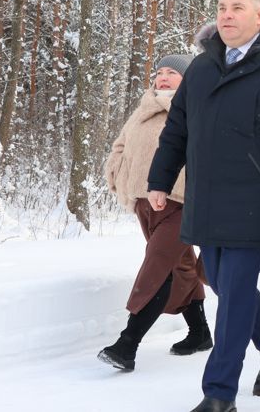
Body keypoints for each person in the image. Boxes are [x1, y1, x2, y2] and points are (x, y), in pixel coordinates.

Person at [148, 0, 260, 412]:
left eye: (238, 8)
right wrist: (159, 180)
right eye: (222, 8)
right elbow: (177, 130)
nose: (227, 15)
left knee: (237, 291)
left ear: (259, 16)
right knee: (223, 283)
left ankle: (219, 393)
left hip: (257, 198)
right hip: (206, 196)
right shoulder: (202, 68)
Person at [98, 54, 211, 372]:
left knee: (157, 264)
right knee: (180, 265)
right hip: (145, 202)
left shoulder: (196, 108)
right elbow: (121, 146)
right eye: (160, 72)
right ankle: (200, 332)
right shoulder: (143, 110)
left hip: (182, 202)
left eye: (172, 72)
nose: (163, 76)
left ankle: (127, 344)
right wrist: (117, 172)